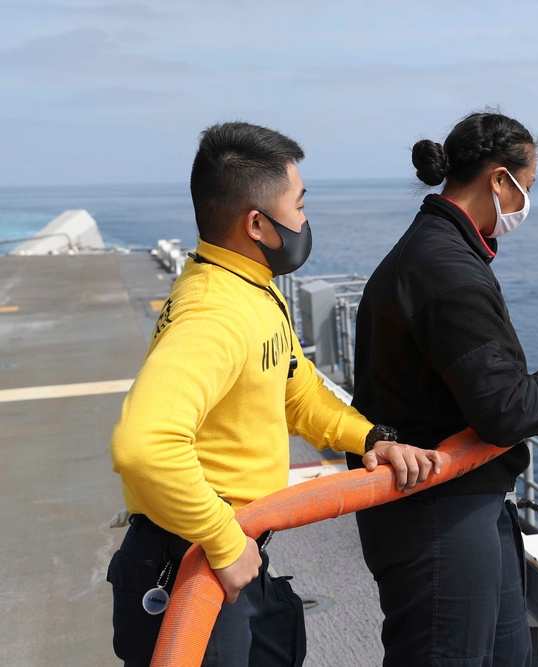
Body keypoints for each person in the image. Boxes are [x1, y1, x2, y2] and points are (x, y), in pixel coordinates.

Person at [107, 121, 442, 667]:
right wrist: (221, 538)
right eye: (300, 204)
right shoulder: (215, 311)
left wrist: (372, 438)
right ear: (258, 223)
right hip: (194, 557)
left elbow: (298, 392)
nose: (306, 220)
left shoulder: (252, 289)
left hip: (234, 550)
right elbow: (142, 446)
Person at [348, 110, 538, 667]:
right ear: (500, 180)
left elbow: (464, 392)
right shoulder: (446, 268)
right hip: (436, 512)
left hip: (461, 499)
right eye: (527, 188)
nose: (525, 205)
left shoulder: (436, 249)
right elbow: (501, 408)